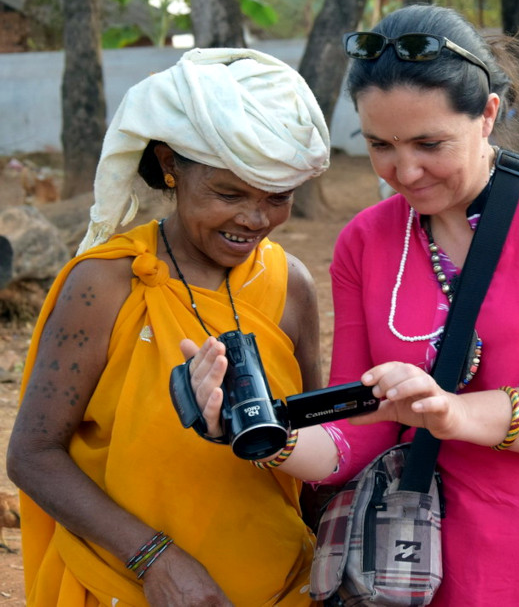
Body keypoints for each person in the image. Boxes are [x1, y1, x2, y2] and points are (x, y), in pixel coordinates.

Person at [186, 5, 519, 606]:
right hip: (427, 562)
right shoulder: (365, 240)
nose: (404, 171)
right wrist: (257, 430)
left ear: (488, 114)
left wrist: (454, 415)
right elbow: (361, 431)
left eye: (429, 143)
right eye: (380, 145)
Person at [6, 48, 331, 604]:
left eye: (277, 198)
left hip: (281, 586)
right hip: (125, 585)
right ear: (169, 165)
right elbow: (32, 454)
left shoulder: (290, 285)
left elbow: (313, 448)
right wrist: (155, 561)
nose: (254, 219)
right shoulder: (106, 285)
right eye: (228, 194)